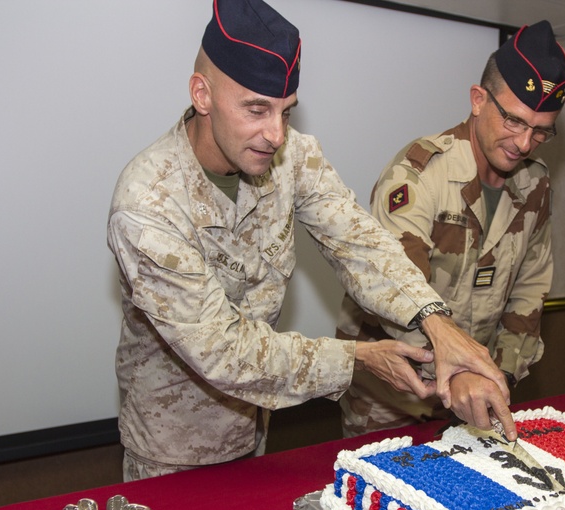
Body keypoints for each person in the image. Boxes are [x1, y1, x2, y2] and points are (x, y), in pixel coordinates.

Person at [107, 0, 514, 481]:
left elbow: (360, 243)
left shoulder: (291, 156)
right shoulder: (147, 201)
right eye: (256, 109)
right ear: (202, 94)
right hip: (170, 447)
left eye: (286, 111)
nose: (276, 134)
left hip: (252, 428)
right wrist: (357, 359)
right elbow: (223, 350)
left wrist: (436, 322)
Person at [336, 21, 565, 437]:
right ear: (478, 100)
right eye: (514, 122)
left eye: (540, 131)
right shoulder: (417, 175)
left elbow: (530, 290)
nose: (523, 143)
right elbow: (398, 295)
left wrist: (497, 375)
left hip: (476, 391)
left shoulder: (534, 183)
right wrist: (459, 371)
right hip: (395, 394)